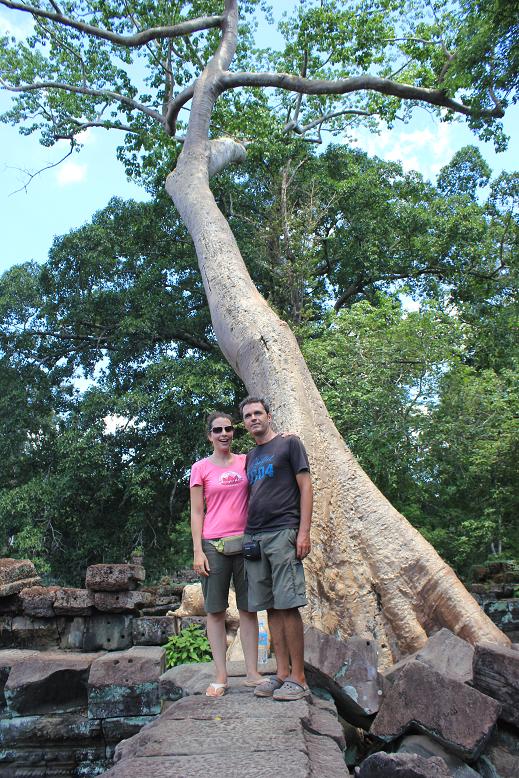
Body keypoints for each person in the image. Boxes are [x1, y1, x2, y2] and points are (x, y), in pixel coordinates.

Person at [239, 396, 313, 701]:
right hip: (255, 538)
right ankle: (281, 673)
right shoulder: (250, 457)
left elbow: (306, 486)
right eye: (247, 416)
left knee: (288, 604)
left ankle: (300, 677)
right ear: (244, 423)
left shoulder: (289, 445)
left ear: (269, 416)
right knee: (270, 605)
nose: (253, 418)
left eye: (258, 413)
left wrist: (303, 532)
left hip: (284, 531)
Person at [190, 411, 264, 697]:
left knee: (249, 609)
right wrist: (198, 550)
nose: (224, 434)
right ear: (209, 435)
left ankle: (252, 672)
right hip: (213, 544)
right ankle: (220, 676)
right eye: (218, 430)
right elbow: (197, 512)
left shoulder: (247, 461)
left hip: (246, 542)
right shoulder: (200, 468)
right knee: (216, 610)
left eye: (228, 429)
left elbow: (270, 452)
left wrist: (287, 437)